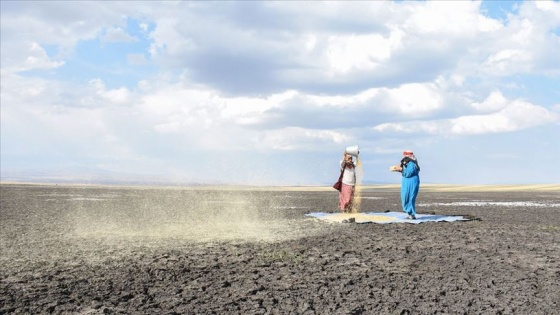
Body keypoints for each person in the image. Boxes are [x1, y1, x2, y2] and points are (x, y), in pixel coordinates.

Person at [395, 150, 420, 219]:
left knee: (410, 197)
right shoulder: (406, 162)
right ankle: (409, 213)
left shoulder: (412, 163)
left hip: (411, 181)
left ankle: (411, 214)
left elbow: (409, 173)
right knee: (405, 197)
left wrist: (401, 170)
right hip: (406, 181)